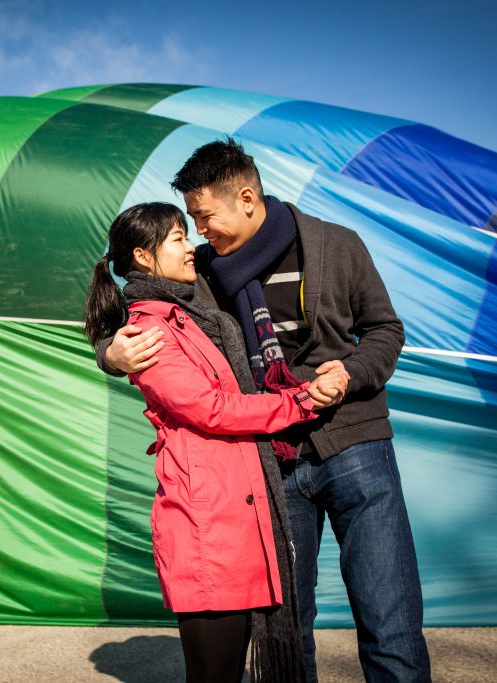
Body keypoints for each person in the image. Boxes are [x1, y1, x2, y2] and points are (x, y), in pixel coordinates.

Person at [99, 139, 432, 683]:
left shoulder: (337, 245)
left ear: (247, 198)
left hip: (355, 443)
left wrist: (350, 373)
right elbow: (142, 308)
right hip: (271, 463)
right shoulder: (201, 272)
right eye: (192, 222)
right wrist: (111, 354)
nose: (200, 232)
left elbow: (384, 330)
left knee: (388, 614)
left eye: (205, 216)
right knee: (285, 626)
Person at [84, 202, 321, 683]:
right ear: (144, 257)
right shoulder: (150, 329)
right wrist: (300, 404)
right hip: (207, 524)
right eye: (176, 237)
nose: (190, 246)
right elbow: (211, 409)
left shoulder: (189, 314)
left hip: (232, 515)